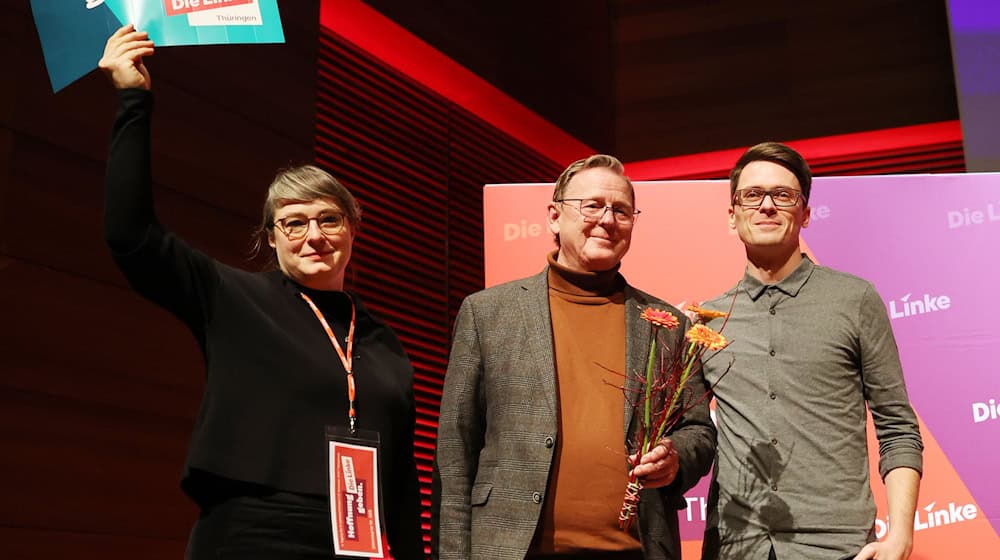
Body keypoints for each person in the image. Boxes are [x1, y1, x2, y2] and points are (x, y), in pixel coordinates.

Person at [99, 25, 422, 559]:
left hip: (357, 544)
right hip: (250, 536)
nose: (313, 235)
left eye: (328, 219)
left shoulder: (386, 345)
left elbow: (404, 478)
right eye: (293, 223)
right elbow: (130, 236)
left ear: (352, 230)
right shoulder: (231, 298)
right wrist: (134, 100)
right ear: (271, 238)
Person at [432, 154, 716, 560]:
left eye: (621, 210)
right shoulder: (488, 313)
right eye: (592, 205)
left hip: (636, 550)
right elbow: (455, 450)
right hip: (513, 550)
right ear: (553, 216)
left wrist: (675, 460)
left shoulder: (668, 324)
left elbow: (699, 432)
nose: (607, 219)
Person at [698, 142, 923, 560]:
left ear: (805, 213)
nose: (766, 206)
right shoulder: (708, 320)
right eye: (752, 195)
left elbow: (897, 425)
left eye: (783, 195)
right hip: (734, 547)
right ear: (733, 216)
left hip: (835, 546)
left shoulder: (853, 299)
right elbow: (692, 436)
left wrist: (900, 537)